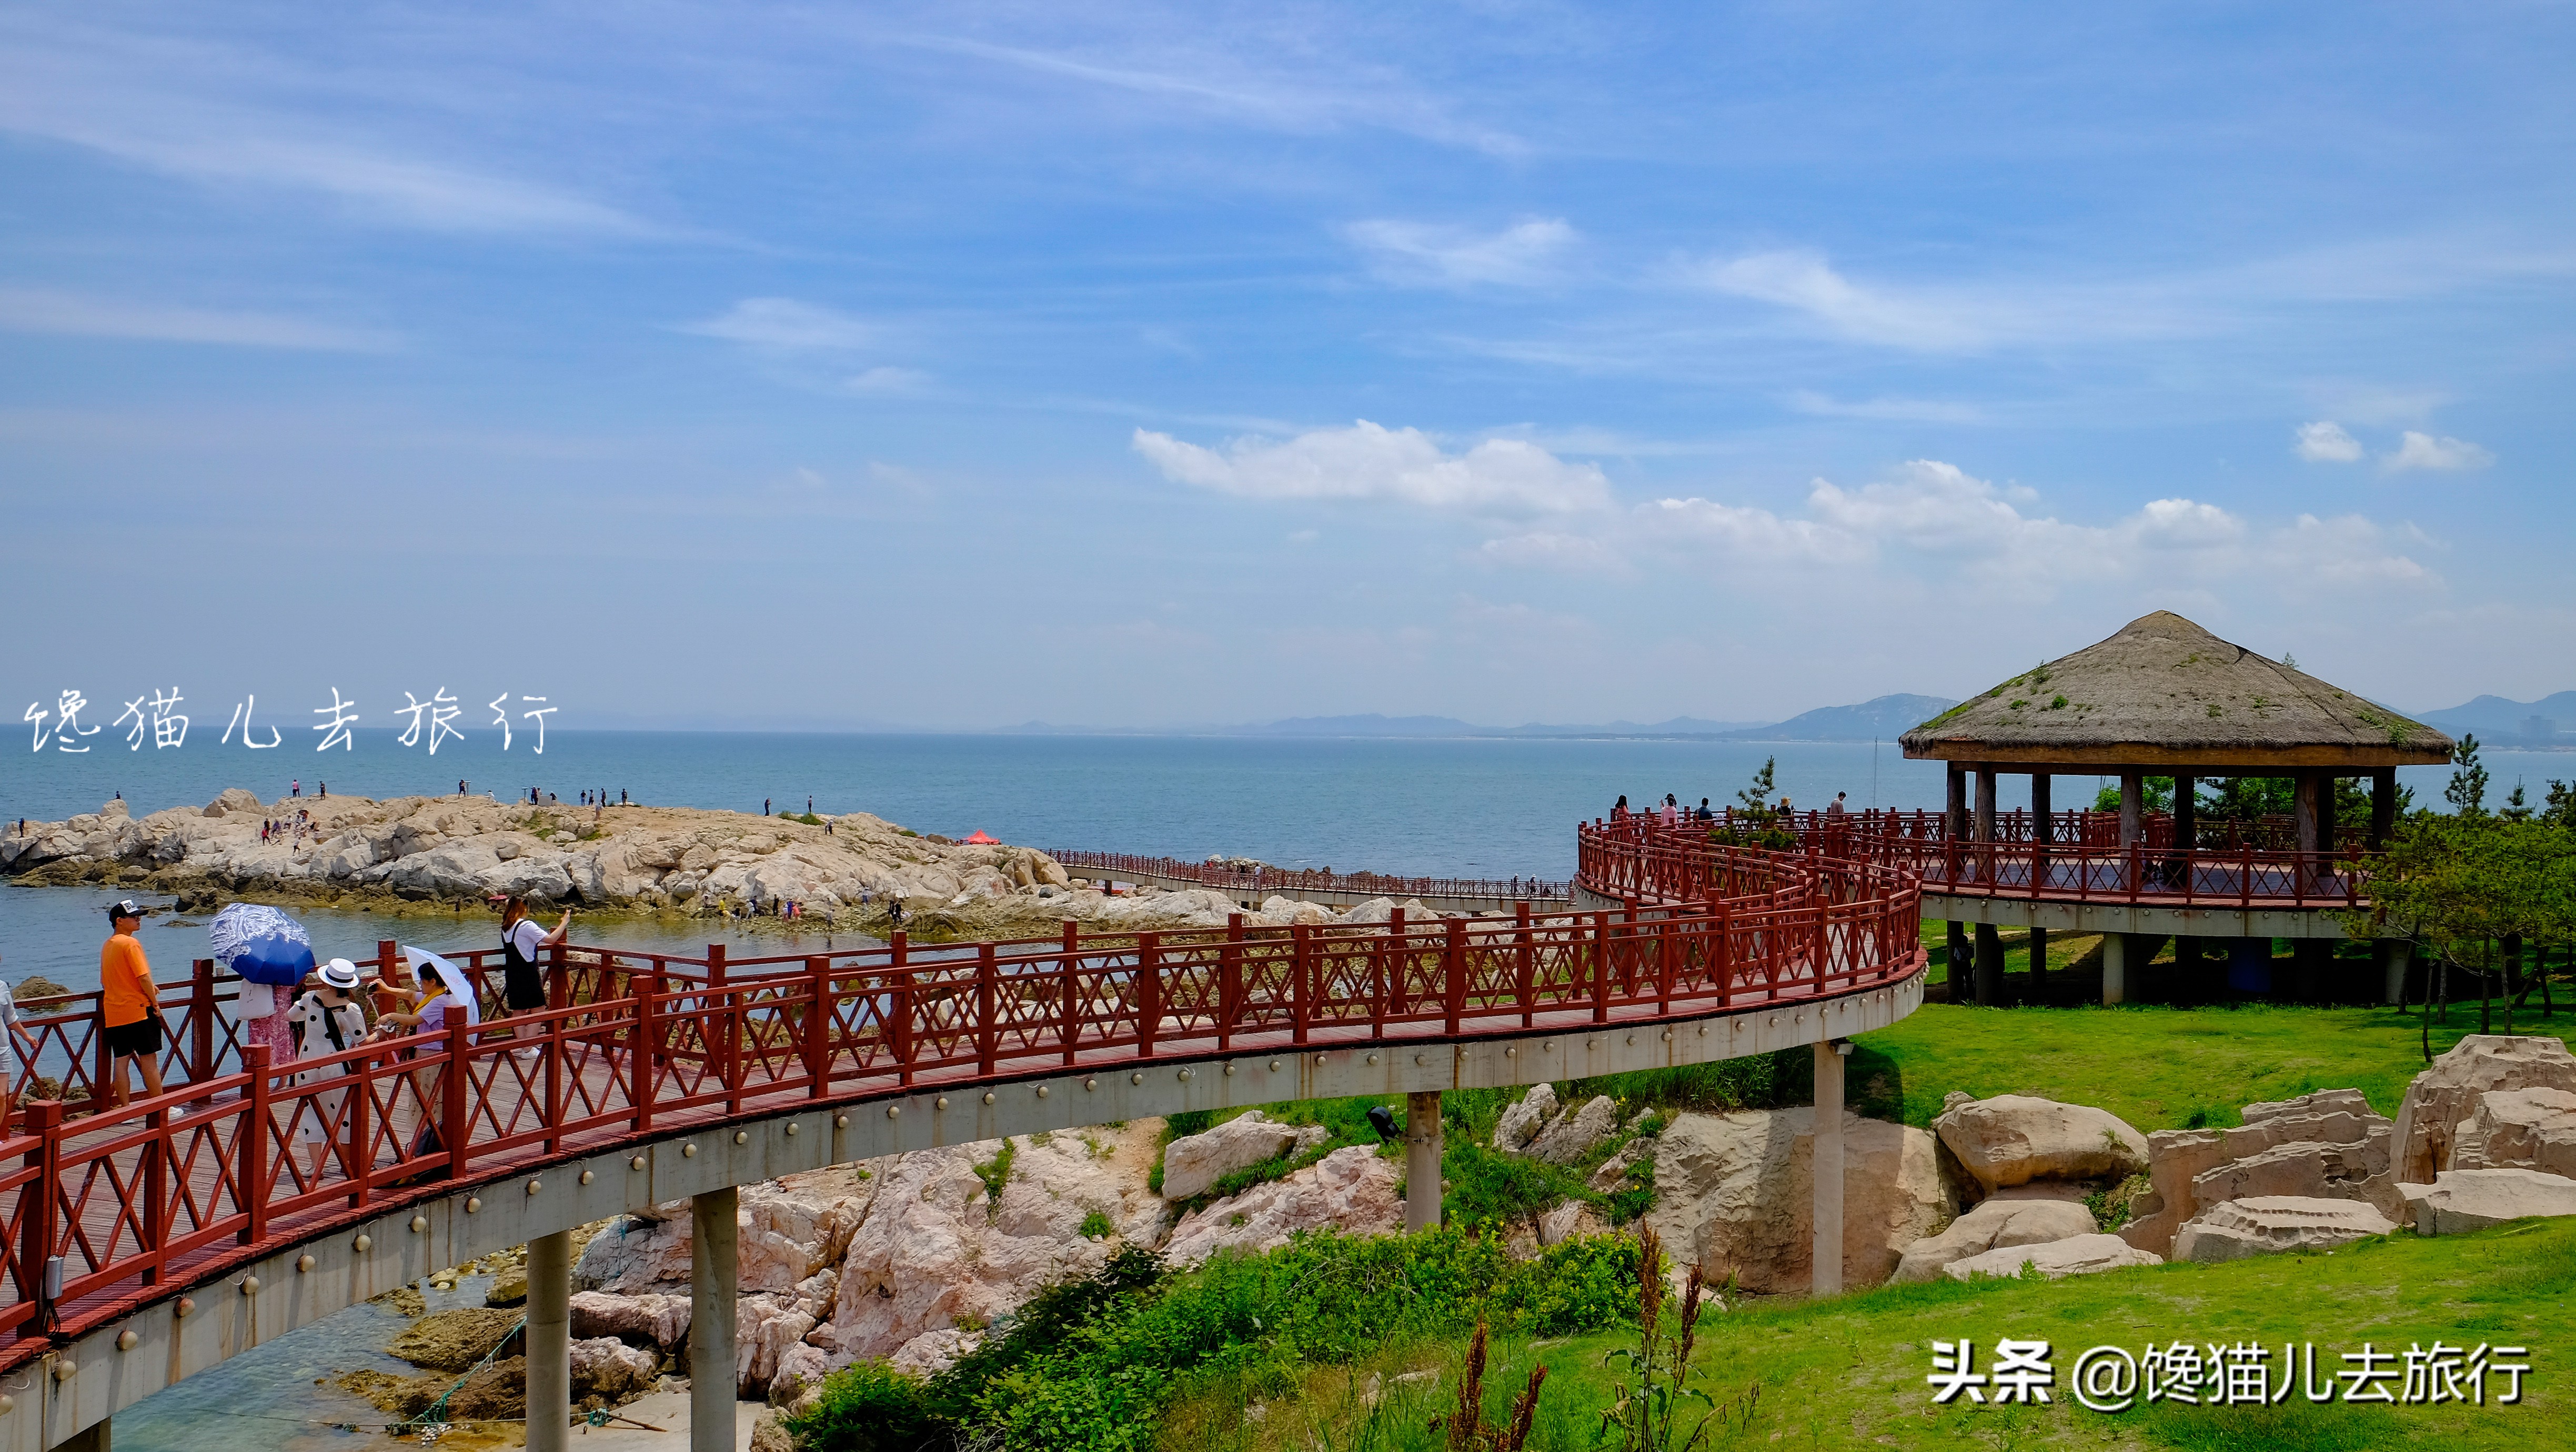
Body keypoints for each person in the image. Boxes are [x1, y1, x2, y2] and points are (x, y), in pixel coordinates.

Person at [288, 959, 370, 1178]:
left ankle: (316, 1167)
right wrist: (381, 1033)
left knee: (310, 1111)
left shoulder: (310, 998)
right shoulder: (350, 1008)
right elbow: (361, 1041)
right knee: (343, 1112)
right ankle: (345, 1164)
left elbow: (291, 1016)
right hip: (334, 1061)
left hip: (307, 1060)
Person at [99, 900, 165, 1108]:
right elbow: (143, 977)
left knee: (121, 1060)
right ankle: (159, 1106)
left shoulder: (108, 945)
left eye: (139, 916)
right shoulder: (131, 943)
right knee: (149, 1060)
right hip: (138, 1009)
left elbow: (106, 979)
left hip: (114, 1010)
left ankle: (125, 1109)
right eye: (134, 916)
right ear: (120, 921)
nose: (139, 919)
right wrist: (154, 1002)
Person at [498, 894, 570, 1054]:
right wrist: (564, 923)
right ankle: (528, 1047)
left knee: (518, 1011)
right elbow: (551, 939)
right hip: (528, 972)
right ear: (523, 909)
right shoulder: (526, 926)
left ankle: (524, 1046)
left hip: (512, 972)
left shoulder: (506, 927)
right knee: (539, 1008)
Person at [0, 954, 36, 1126]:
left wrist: (27, 1036)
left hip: (3, 1049)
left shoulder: (2, 987)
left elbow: (11, 1018)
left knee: (1, 1095)